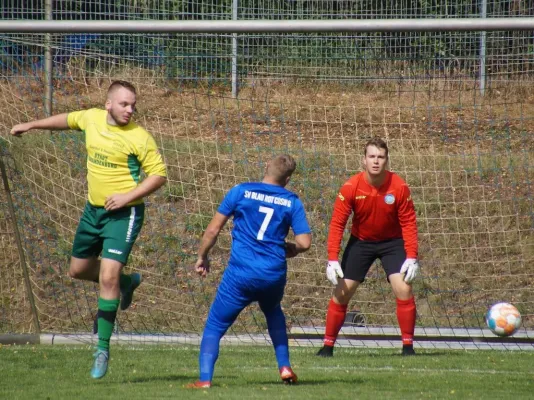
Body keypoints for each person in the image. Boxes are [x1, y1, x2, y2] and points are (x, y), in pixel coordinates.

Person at [10, 80, 167, 378]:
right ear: (108, 104)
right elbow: (66, 120)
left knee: (107, 275)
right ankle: (127, 282)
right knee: (78, 270)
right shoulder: (92, 118)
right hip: (92, 211)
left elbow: (159, 175)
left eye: (133, 105)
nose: (130, 109)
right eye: (124, 104)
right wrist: (31, 124)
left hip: (124, 215)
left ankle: (102, 348)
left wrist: (126, 197)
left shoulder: (139, 137)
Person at [188, 154, 312, 388]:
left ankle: (204, 379)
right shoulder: (292, 201)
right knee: (274, 312)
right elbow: (305, 242)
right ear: (287, 180)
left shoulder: (240, 191)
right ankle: (284, 366)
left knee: (215, 324)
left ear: (266, 166)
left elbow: (213, 230)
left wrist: (202, 257)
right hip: (273, 274)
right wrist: (289, 249)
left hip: (240, 274)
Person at [316, 137, 420, 357]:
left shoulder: (399, 186)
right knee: (342, 292)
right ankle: (327, 347)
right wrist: (332, 258)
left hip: (392, 243)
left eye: (380, 157)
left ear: (386, 160)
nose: (376, 161)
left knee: (404, 288)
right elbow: (337, 223)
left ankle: (408, 347)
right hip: (361, 242)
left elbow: (409, 222)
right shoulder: (351, 187)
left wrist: (411, 256)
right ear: (363, 160)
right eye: (372, 156)